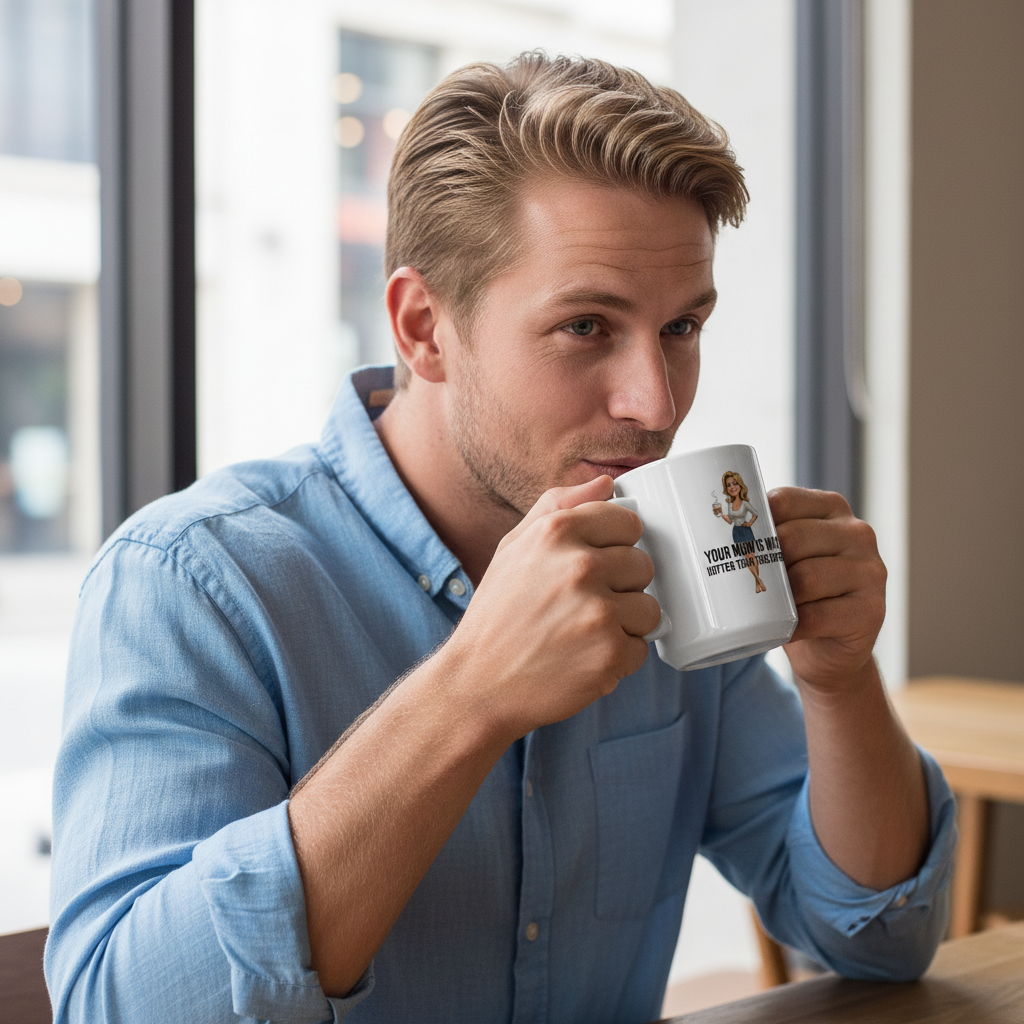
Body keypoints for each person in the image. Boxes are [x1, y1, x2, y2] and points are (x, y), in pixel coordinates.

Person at [45, 53, 955, 1024]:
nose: (653, 404)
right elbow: (119, 1008)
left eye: (681, 327)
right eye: (585, 327)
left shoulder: (674, 564)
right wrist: (468, 692)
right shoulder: (194, 583)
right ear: (422, 325)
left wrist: (839, 678)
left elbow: (880, 935)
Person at [715, 470, 766, 592]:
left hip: (746, 530)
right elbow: (730, 521)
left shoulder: (745, 503)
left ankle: (757, 582)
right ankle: (758, 581)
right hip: (736, 532)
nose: (732, 487)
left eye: (734, 483)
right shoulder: (729, 504)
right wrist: (722, 515)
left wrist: (749, 523)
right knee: (746, 557)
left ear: (740, 485)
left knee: (752, 556)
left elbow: (755, 514)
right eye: (729, 485)